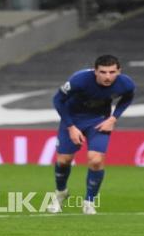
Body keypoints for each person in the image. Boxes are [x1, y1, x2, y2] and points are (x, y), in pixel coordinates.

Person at [47, 55, 135, 215]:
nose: (108, 76)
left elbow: (128, 97)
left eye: (112, 72)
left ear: (119, 71)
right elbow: (58, 100)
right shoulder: (79, 80)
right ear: (95, 71)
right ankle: (61, 193)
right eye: (103, 72)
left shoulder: (126, 83)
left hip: (99, 121)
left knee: (95, 160)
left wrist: (113, 118)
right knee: (64, 160)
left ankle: (89, 202)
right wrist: (71, 127)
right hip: (73, 120)